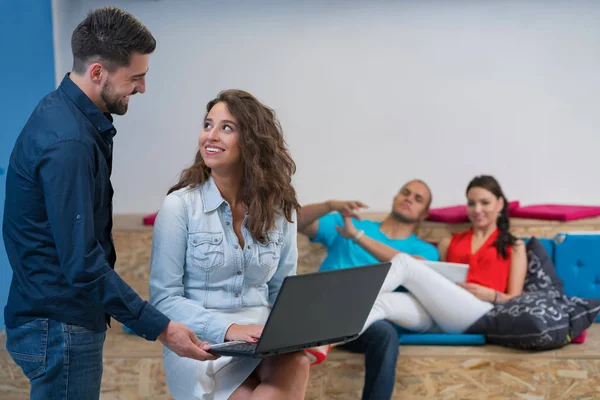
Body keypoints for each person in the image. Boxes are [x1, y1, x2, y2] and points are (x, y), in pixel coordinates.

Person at [2, 7, 215, 400]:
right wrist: (162, 328)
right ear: (97, 72)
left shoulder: (67, 117)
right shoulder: (69, 142)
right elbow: (82, 264)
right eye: (136, 77)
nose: (143, 88)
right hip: (60, 326)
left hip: (52, 316)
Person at [149, 89, 310, 399]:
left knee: (298, 361)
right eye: (208, 125)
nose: (211, 135)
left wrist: (304, 329)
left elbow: (281, 291)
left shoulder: (281, 210)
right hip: (203, 342)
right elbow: (164, 299)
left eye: (226, 127)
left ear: (251, 141)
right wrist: (228, 329)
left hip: (263, 337)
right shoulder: (179, 206)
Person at [332, 175, 527, 343]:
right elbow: (436, 282)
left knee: (405, 262)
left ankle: (345, 300)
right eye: (471, 203)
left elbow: (516, 301)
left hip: (482, 313)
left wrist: (492, 295)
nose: (477, 209)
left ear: (499, 204)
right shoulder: (449, 242)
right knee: (382, 303)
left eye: (485, 203)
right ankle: (326, 342)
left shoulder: (515, 246)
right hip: (442, 314)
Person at [297, 179, 439, 400]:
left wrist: (357, 237)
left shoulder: (425, 250)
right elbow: (294, 221)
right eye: (405, 192)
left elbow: (411, 267)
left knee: (385, 334)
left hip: (366, 321)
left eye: (418, 199)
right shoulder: (349, 223)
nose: (409, 198)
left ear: (424, 214)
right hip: (324, 309)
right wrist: (330, 205)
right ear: (395, 197)